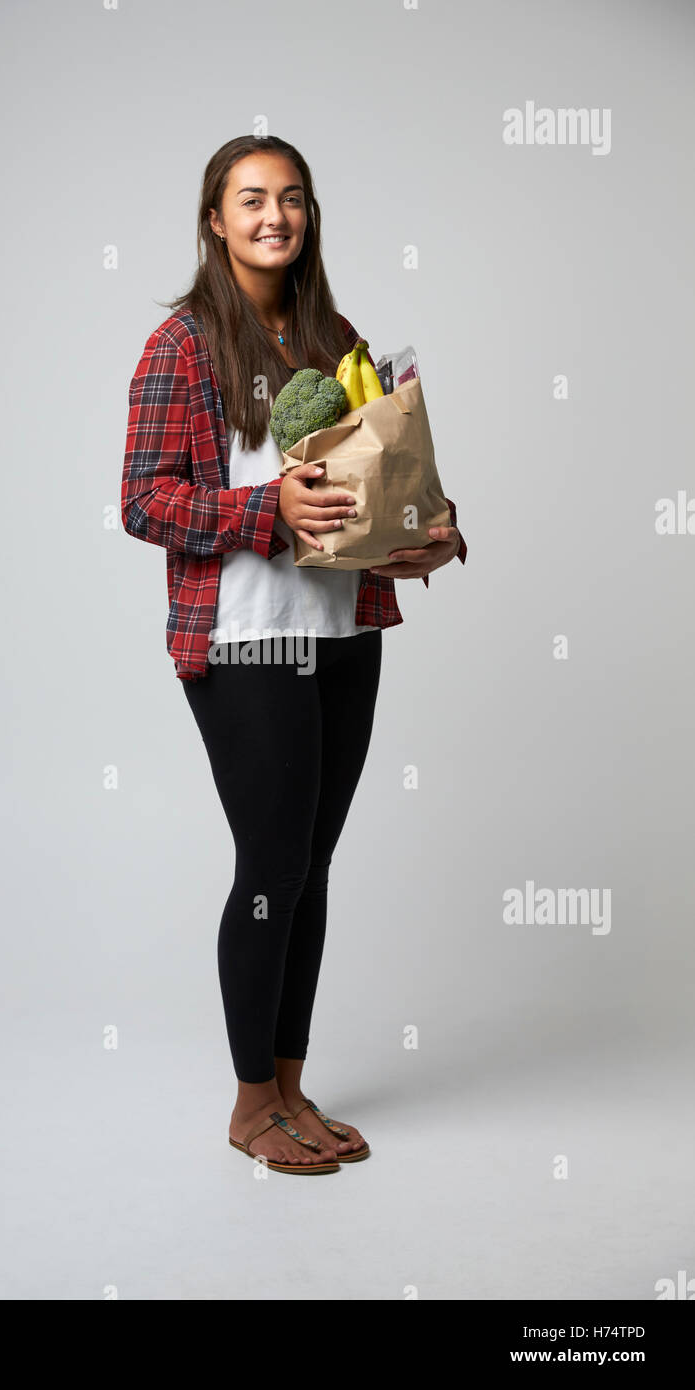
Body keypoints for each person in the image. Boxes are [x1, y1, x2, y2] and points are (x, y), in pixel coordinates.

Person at [122, 134, 466, 1175]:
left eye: (292, 200)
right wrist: (261, 509)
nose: (275, 216)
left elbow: (392, 477)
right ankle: (245, 1104)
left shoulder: (335, 335)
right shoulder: (181, 345)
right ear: (213, 219)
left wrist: (438, 534)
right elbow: (142, 498)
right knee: (270, 864)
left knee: (309, 866)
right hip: (243, 638)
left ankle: (289, 1086)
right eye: (251, 199)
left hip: (344, 633)